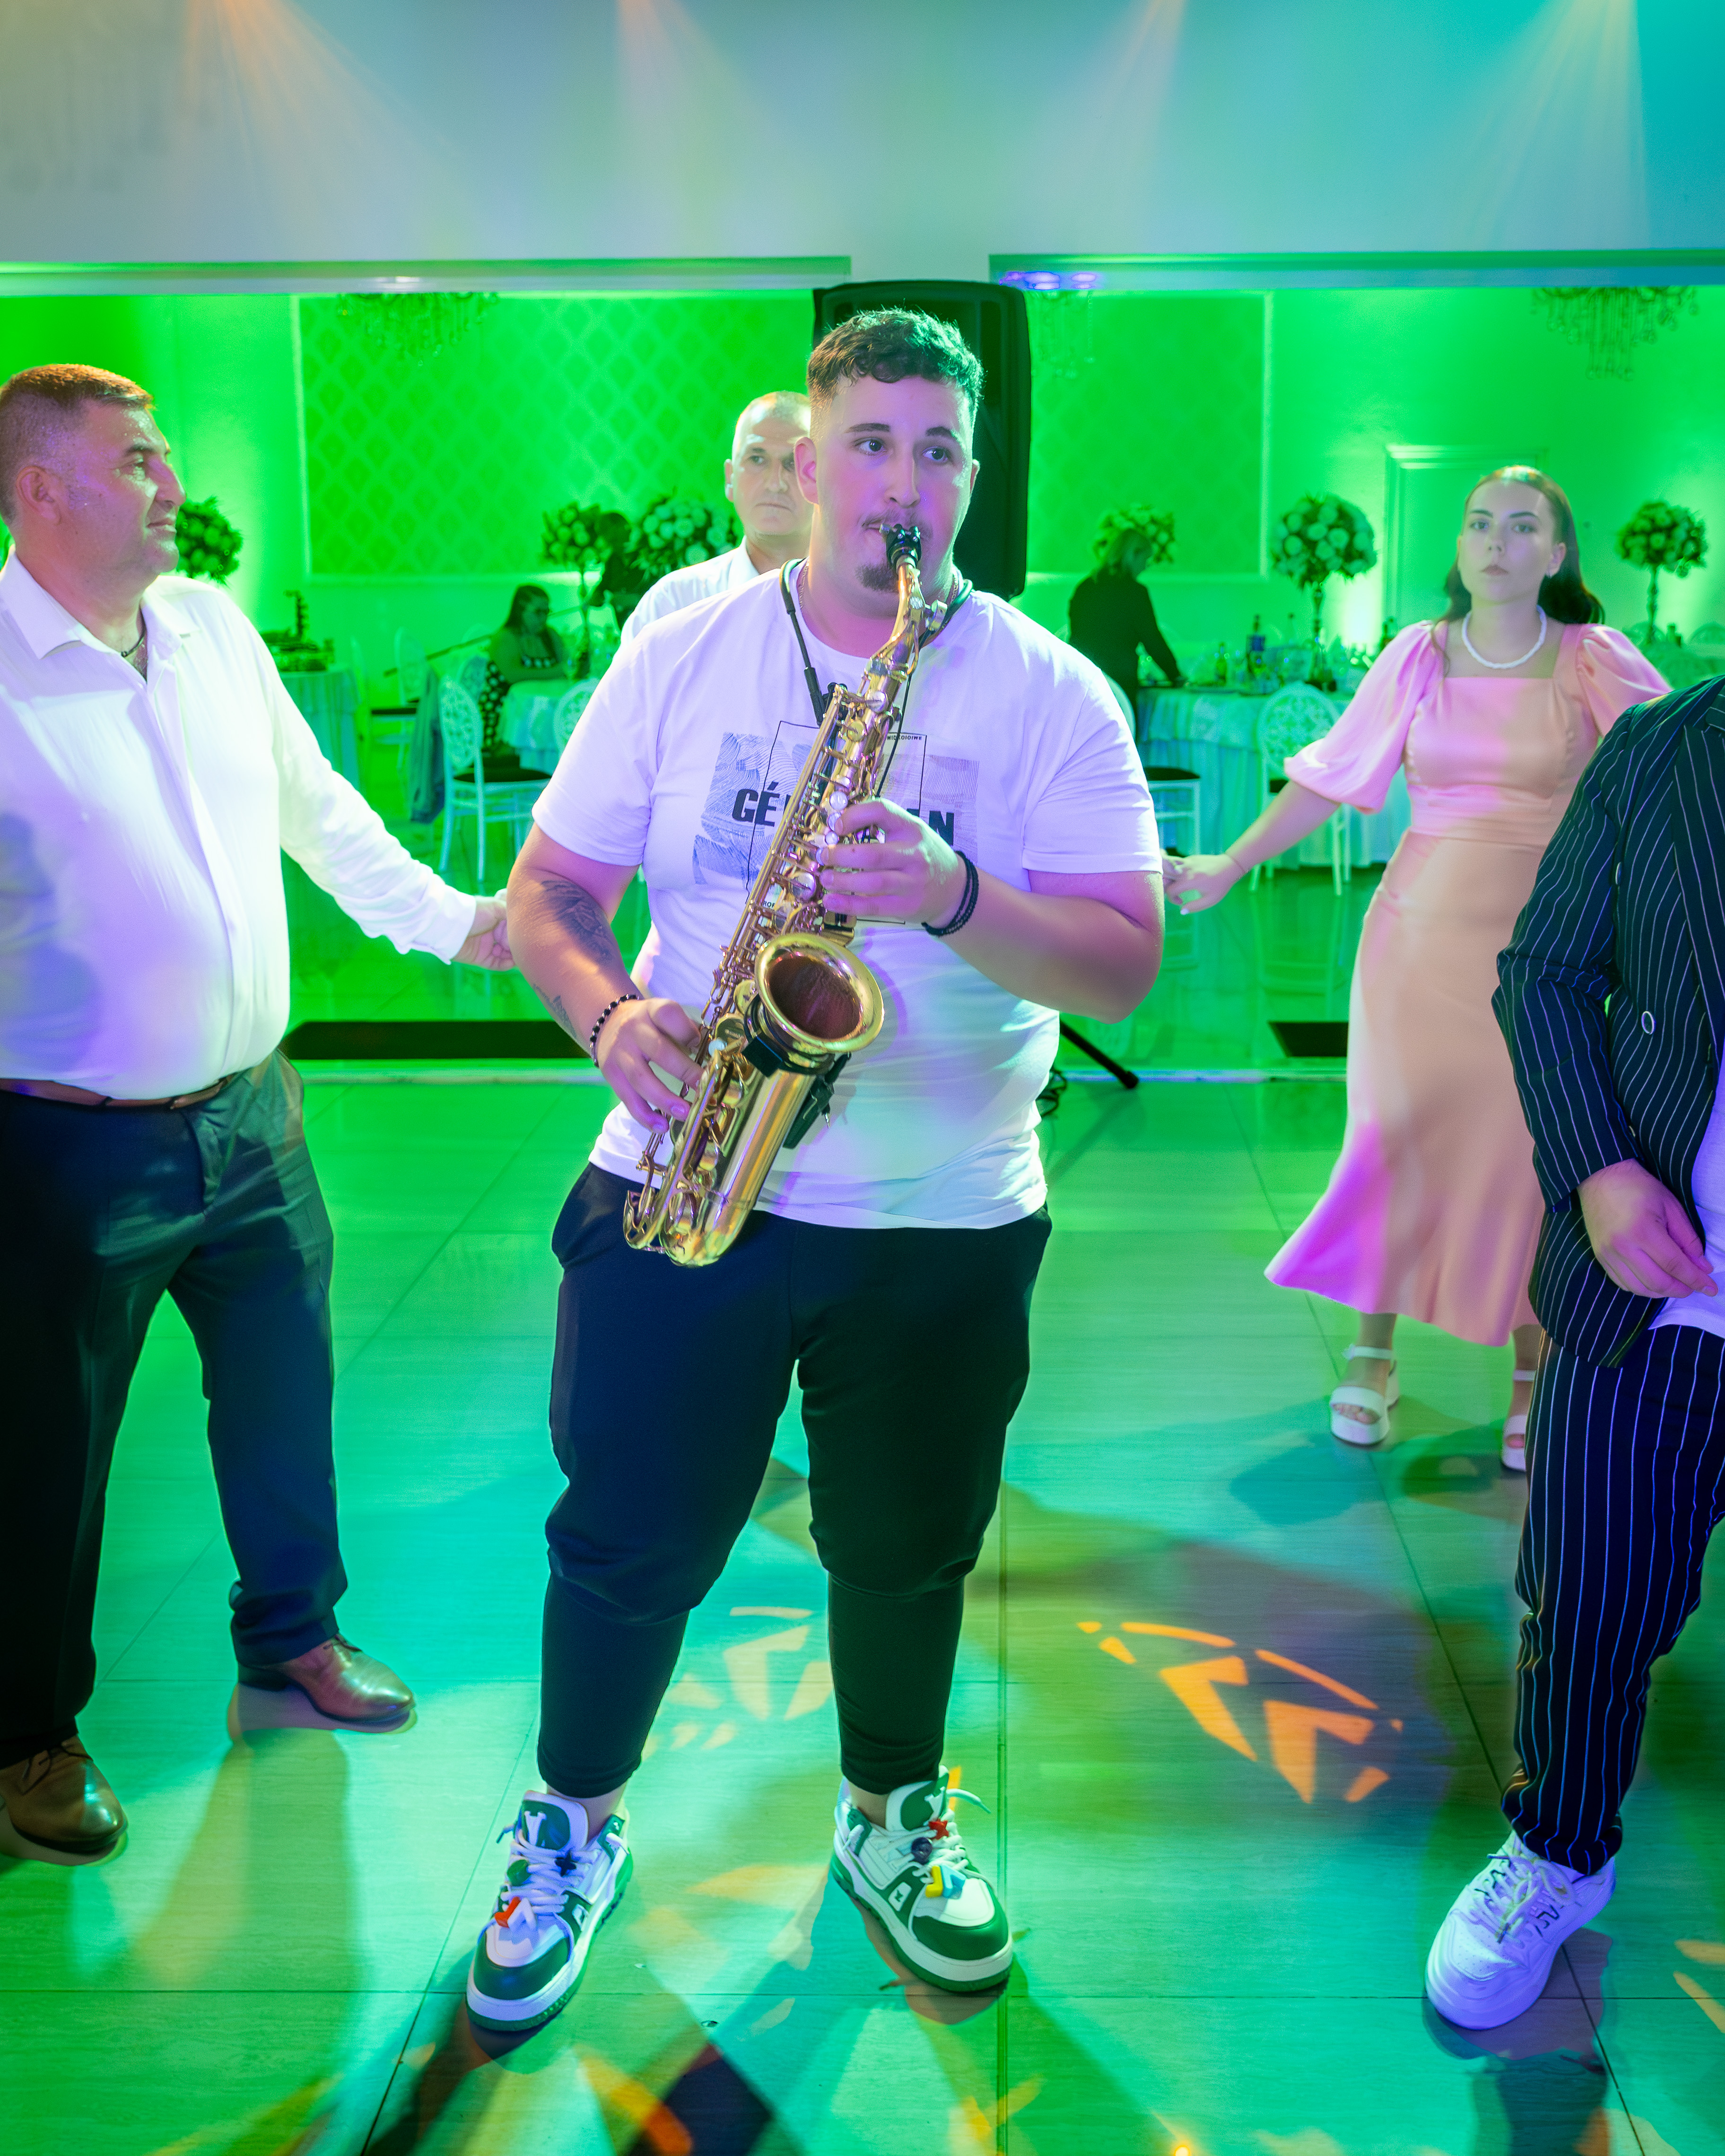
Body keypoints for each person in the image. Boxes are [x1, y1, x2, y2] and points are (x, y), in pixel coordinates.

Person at [470, 310, 1162, 2035]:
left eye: (938, 450)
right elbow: (550, 896)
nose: (900, 482)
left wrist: (949, 893)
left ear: (973, 477)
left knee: (908, 1547)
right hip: (689, 1170)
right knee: (625, 1536)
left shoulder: (1047, 690)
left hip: (942, 1214)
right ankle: (568, 1819)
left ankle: (889, 1812)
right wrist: (610, 1013)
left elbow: (1122, 962)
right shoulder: (687, 652)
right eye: (869, 442)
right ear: (809, 458)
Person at [0, 365, 510, 1864]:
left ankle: (291, 1641)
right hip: (66, 1147)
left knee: (284, 1394)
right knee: (45, 1449)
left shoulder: (213, 631)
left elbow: (320, 812)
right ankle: (28, 1730)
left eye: (165, 457)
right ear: (40, 492)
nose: (173, 486)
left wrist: (463, 926)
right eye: (137, 463)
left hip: (252, 1121)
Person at [1163, 469, 1666, 1466]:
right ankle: (1372, 1349)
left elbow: (1678, 758)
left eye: (1520, 527)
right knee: (1393, 1138)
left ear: (1557, 553)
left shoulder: (1591, 657)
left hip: (1546, 953)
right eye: (1479, 524)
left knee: (1533, 1151)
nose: (1496, 543)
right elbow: (1328, 776)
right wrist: (1230, 862)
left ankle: (1534, 1367)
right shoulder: (1418, 655)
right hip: (1416, 939)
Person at [1424, 657, 1725, 2029]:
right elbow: (1544, 972)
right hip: (1655, 1291)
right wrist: (1599, 1168)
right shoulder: (1664, 751)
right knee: (1591, 1605)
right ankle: (1558, 1853)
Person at [619, 390, 812, 641]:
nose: (775, 484)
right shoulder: (673, 605)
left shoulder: (856, 607)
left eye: (793, 463)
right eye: (757, 459)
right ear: (730, 479)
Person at [1066, 509, 1185, 721]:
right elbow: (1152, 640)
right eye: (1145, 560)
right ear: (1134, 555)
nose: (1145, 567)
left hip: (1082, 681)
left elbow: (1076, 637)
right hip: (1119, 683)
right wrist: (1176, 675)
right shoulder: (1135, 593)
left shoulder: (1085, 588)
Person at [473, 582, 570, 779]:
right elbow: (514, 676)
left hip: (544, 711)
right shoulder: (505, 638)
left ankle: (557, 780)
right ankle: (540, 780)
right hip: (505, 718)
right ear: (520, 611)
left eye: (546, 612)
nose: (543, 618)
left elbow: (569, 666)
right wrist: (559, 671)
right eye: (537, 612)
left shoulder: (550, 636)